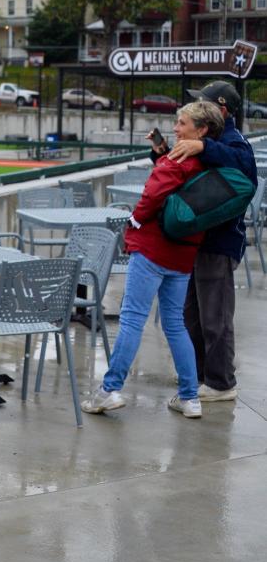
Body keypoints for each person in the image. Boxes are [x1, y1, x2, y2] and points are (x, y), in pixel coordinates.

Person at [83, 100, 226, 419]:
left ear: (201, 130)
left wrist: (135, 220)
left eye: (183, 123)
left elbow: (152, 194)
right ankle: (190, 397)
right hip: (183, 253)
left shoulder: (178, 160)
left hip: (152, 248)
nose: (176, 128)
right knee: (175, 323)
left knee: (133, 318)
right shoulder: (211, 164)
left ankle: (109, 390)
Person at [167, 80, 256, 403]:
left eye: (202, 104)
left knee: (215, 318)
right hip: (197, 243)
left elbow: (245, 169)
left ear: (220, 110)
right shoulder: (213, 137)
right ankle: (200, 375)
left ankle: (221, 382)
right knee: (192, 314)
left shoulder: (232, 141)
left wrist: (205, 148)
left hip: (218, 245)